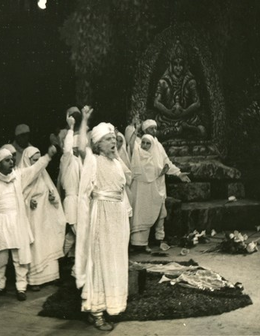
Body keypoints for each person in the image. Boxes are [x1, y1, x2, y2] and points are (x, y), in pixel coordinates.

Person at [0, 145, 58, 301]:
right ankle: (0, 286)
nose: (11, 163)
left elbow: (34, 169)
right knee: (0, 259)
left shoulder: (18, 176)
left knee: (20, 259)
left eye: (12, 160)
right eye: (7, 161)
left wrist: (48, 156)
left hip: (17, 222)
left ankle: (21, 287)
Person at [75, 106, 132, 331]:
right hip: (101, 216)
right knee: (99, 261)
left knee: (114, 260)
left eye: (114, 139)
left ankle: (111, 304)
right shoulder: (93, 160)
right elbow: (81, 147)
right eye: (107, 140)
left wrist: (117, 154)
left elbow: (128, 180)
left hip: (117, 215)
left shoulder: (116, 162)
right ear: (98, 143)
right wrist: (85, 120)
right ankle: (96, 310)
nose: (112, 143)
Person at [130, 120, 191, 252]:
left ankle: (159, 240)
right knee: (143, 214)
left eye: (155, 129)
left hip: (158, 185)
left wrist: (179, 174)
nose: (154, 131)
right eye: (151, 129)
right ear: (145, 131)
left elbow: (166, 162)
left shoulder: (158, 145)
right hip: (143, 187)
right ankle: (139, 244)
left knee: (160, 213)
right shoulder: (139, 146)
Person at [19, 146, 66, 290]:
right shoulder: (23, 174)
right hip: (33, 217)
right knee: (36, 245)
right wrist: (28, 202)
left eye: (38, 160)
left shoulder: (43, 175)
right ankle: (35, 280)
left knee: (48, 243)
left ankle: (51, 276)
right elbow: (19, 197)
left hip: (46, 216)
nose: (37, 163)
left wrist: (53, 198)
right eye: (34, 160)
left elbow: (52, 192)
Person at [58, 112, 83, 259]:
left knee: (73, 235)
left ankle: (63, 258)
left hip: (79, 200)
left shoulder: (79, 160)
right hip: (71, 200)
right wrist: (71, 128)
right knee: (79, 233)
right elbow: (67, 148)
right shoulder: (66, 159)